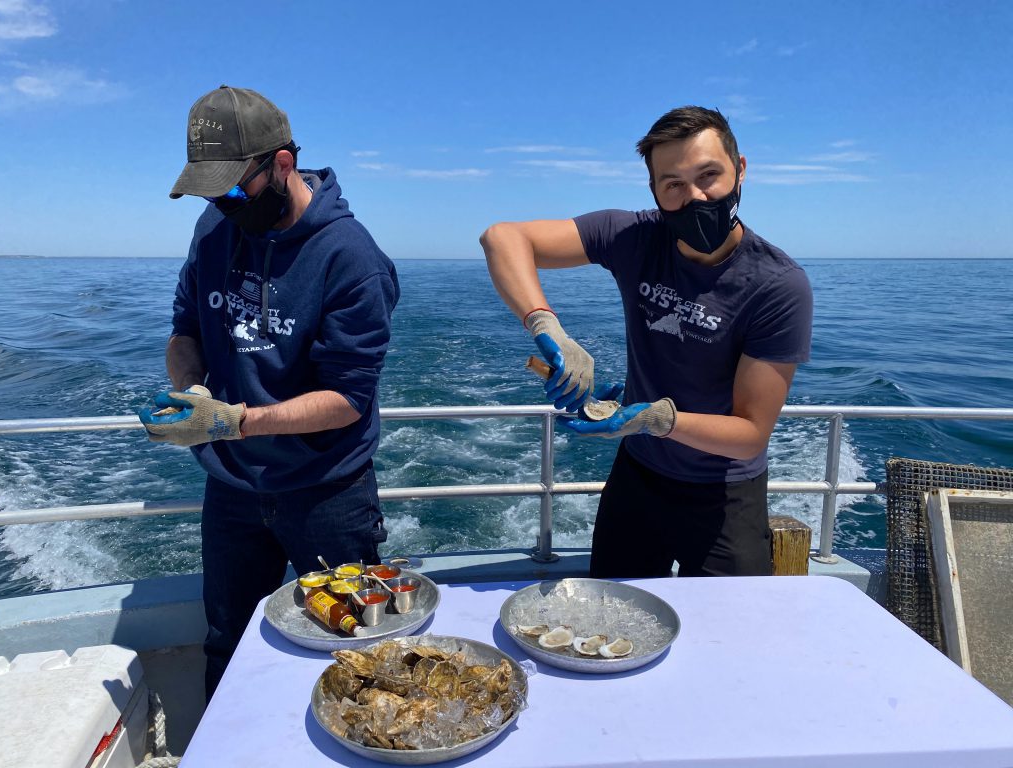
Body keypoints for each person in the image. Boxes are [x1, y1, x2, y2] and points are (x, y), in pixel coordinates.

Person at [139, 86, 399, 698]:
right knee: (227, 641)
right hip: (232, 489)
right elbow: (184, 330)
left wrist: (231, 421)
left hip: (327, 492)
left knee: (357, 649)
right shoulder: (215, 226)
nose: (222, 205)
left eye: (234, 190)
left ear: (282, 163)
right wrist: (193, 396)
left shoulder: (352, 258)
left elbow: (347, 398)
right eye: (210, 193)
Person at [480, 106, 812, 579]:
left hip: (723, 492)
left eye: (709, 175)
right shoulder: (635, 236)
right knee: (612, 608)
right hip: (638, 475)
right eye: (673, 184)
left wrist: (657, 419)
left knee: (728, 621)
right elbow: (502, 238)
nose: (694, 196)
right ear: (654, 190)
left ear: (740, 170)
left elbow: (750, 435)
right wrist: (545, 325)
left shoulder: (777, 285)